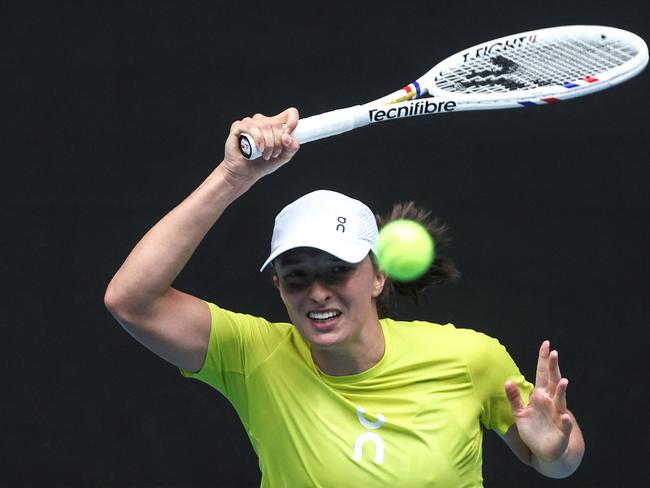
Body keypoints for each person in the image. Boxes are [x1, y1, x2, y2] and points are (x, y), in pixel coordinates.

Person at [105, 107, 585, 487]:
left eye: (338, 270)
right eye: (296, 276)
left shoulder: (470, 358)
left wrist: (555, 449)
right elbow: (131, 299)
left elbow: (557, 464)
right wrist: (234, 177)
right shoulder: (254, 356)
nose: (317, 292)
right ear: (278, 286)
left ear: (377, 277)